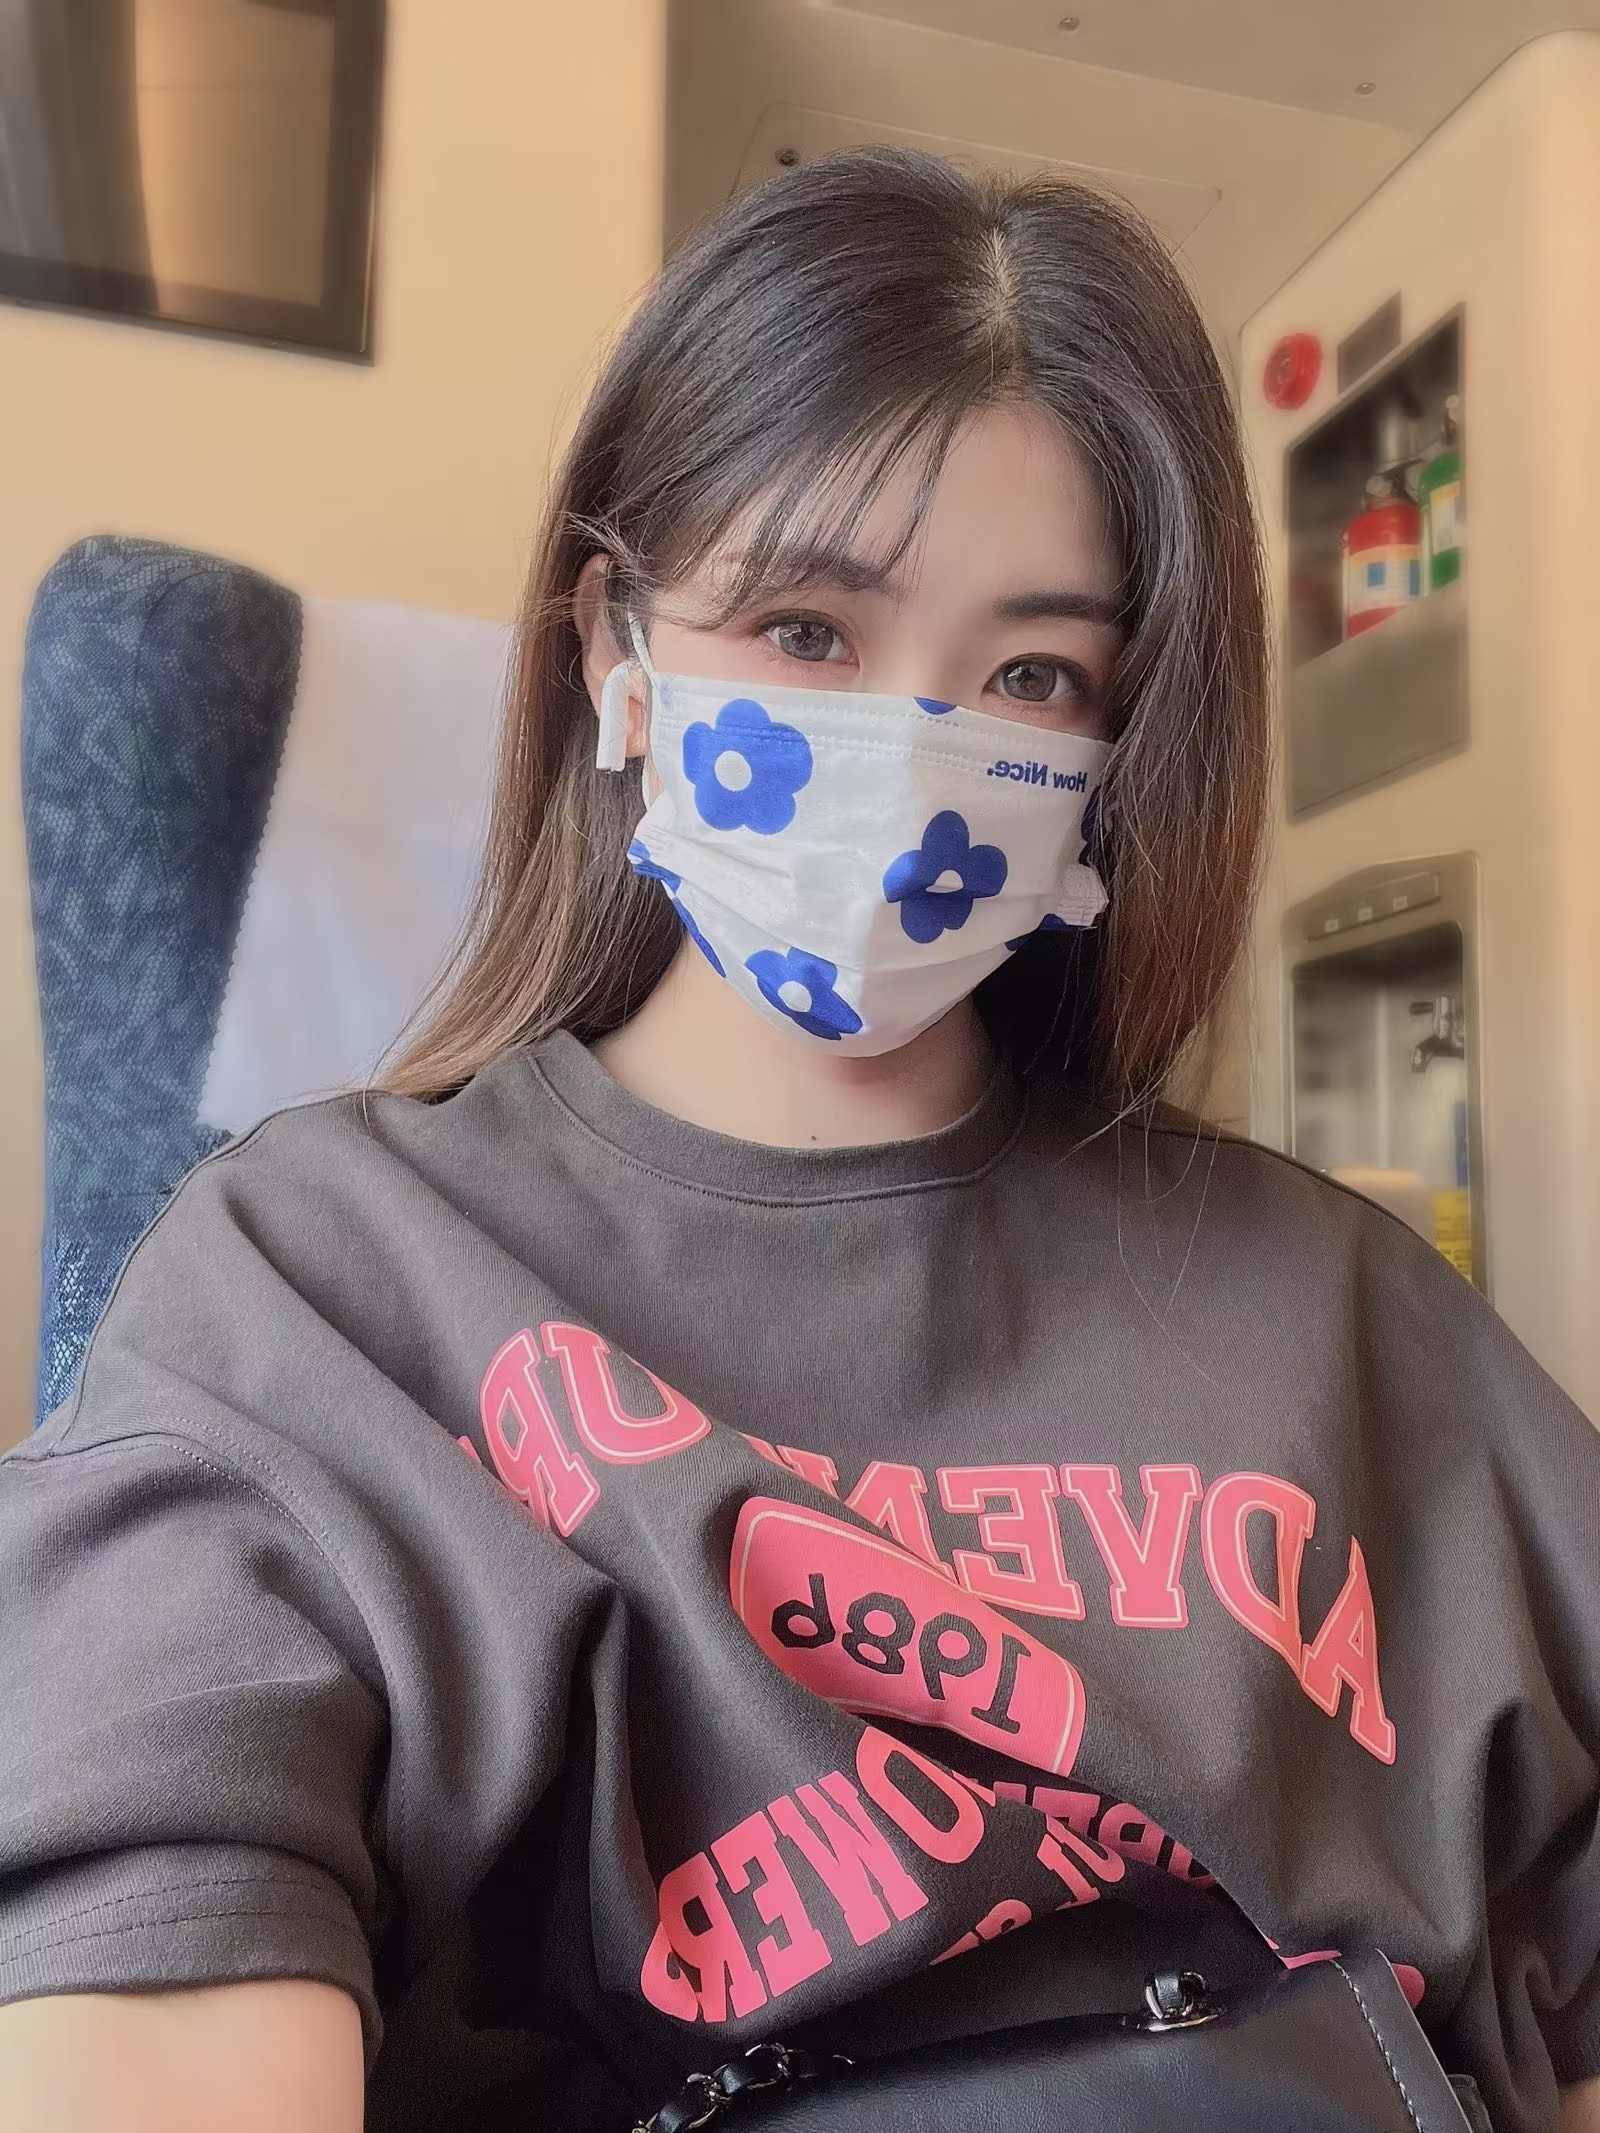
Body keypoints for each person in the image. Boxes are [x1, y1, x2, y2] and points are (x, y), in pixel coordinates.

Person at [0, 148, 1595, 2133]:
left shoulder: (1336, 1307)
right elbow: (156, 1947)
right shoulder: (317, 1292)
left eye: (1029, 675)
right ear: (614, 649)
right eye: (807, 631)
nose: (910, 758)